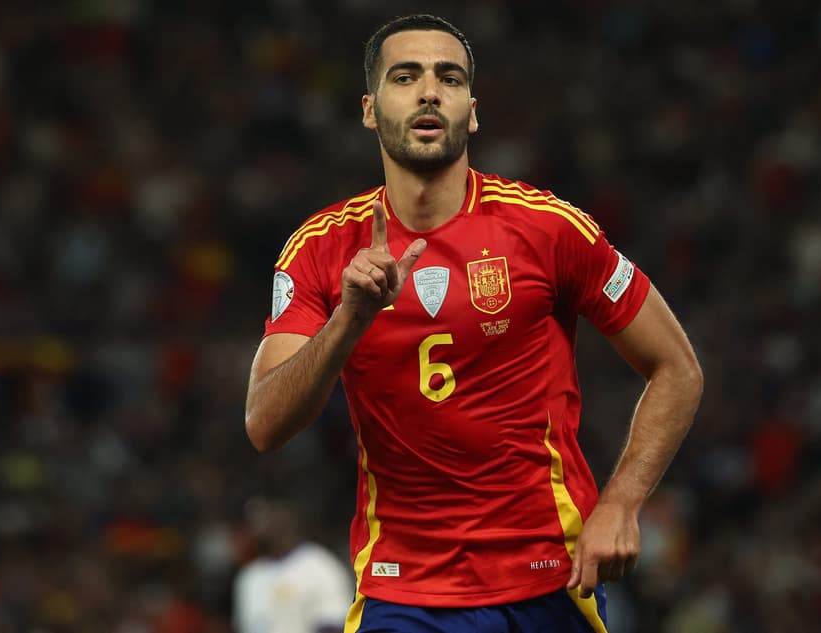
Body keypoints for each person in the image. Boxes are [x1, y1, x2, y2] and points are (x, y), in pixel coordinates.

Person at [245, 13, 703, 633]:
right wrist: (348, 321)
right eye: (405, 77)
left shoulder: (548, 229)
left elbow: (677, 367)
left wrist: (622, 503)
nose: (430, 91)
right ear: (370, 109)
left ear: (473, 110)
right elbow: (264, 423)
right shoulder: (322, 249)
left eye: (449, 78)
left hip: (549, 580)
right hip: (402, 595)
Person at [232, 497, 355, 633]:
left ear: (287, 517)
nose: (261, 523)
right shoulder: (249, 577)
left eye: (267, 513)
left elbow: (334, 625)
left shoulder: (320, 566)